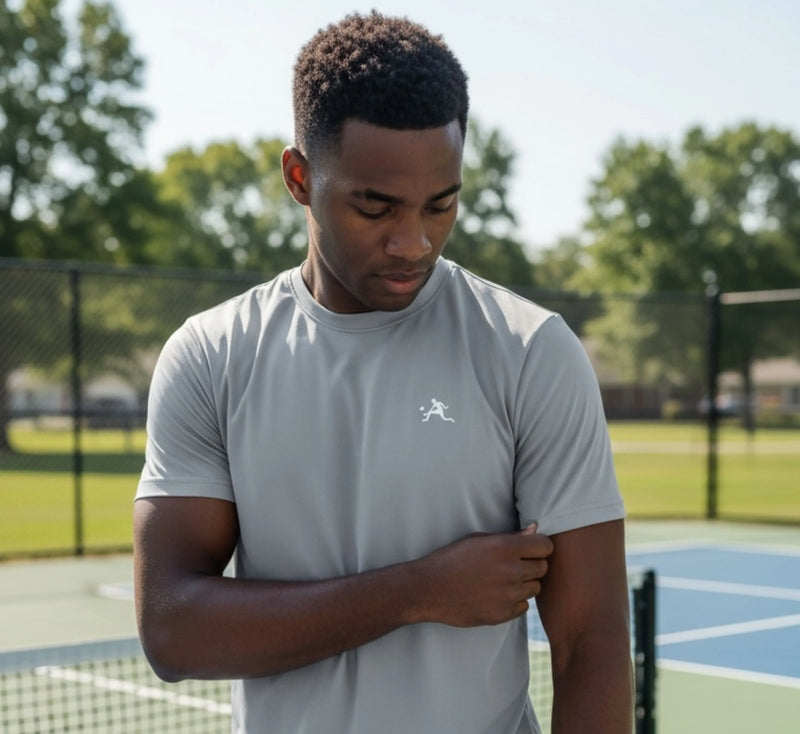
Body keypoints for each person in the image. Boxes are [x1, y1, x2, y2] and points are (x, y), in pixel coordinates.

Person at [134, 11, 632, 734]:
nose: (413, 242)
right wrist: (418, 591)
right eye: (376, 206)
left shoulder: (532, 352)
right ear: (300, 178)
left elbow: (593, 644)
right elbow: (173, 631)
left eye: (442, 204)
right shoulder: (211, 356)